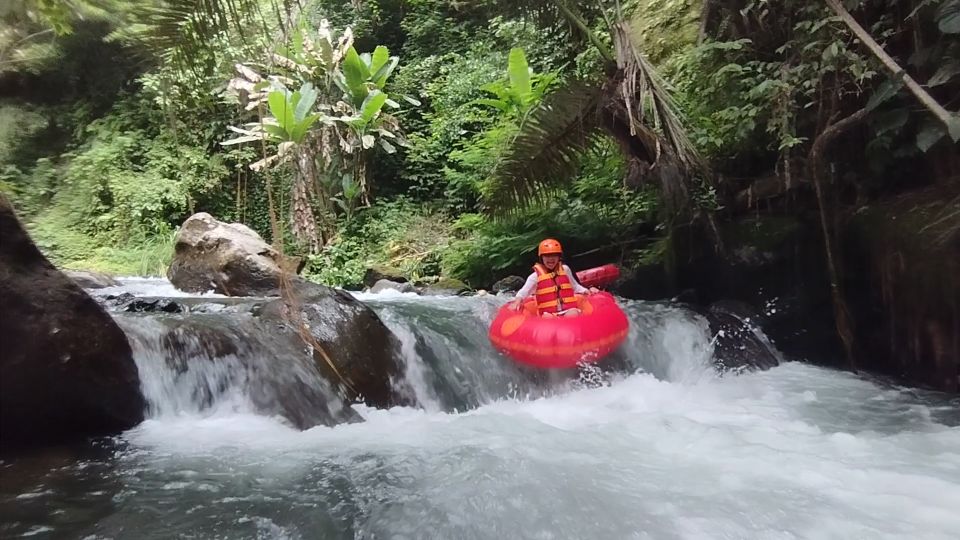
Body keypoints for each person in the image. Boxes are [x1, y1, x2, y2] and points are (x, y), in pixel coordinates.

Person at [510, 238, 599, 318]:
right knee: (547, 318)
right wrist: (517, 300)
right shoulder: (535, 276)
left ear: (559, 257)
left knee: (573, 314)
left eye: (554, 255)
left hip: (567, 310)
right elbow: (524, 291)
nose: (551, 259)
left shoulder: (565, 269)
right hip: (548, 313)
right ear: (542, 258)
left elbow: (575, 287)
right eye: (547, 256)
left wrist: (587, 291)